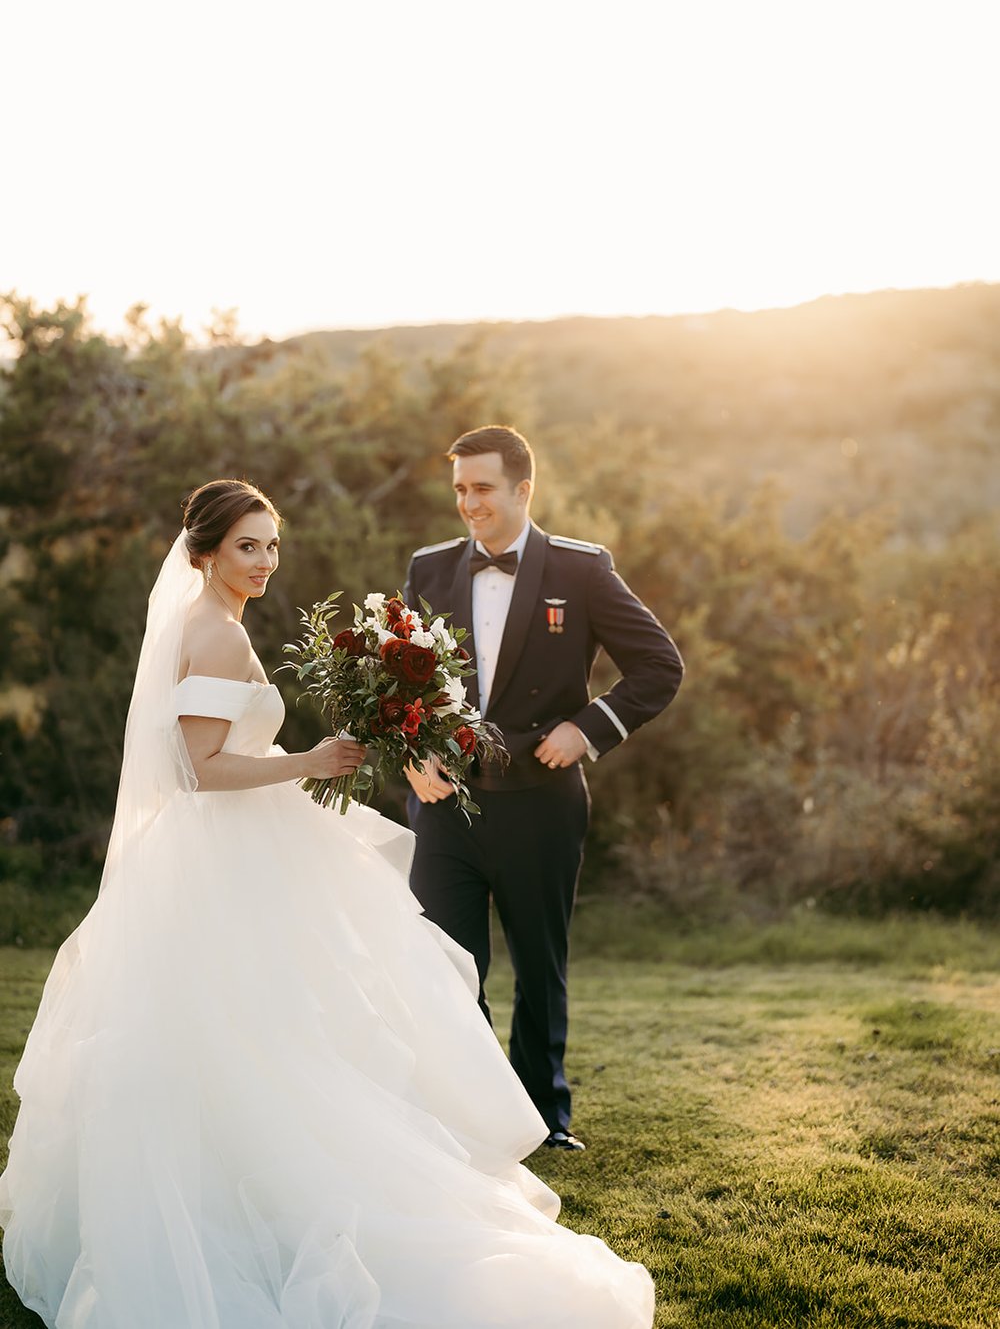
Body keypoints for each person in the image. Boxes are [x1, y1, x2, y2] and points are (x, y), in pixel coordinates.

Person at [0, 478, 655, 1329]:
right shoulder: (213, 632)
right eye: (247, 545)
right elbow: (203, 769)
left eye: (272, 544)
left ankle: (248, 1186)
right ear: (203, 551)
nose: (265, 561)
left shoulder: (215, 625)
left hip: (235, 847)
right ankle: (264, 1196)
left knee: (262, 1030)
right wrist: (306, 762)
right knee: (271, 1030)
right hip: (224, 854)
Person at [404, 427, 684, 1152]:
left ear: (524, 489)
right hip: (445, 806)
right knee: (447, 965)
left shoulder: (582, 570)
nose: (469, 503)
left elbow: (659, 665)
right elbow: (399, 685)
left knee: (539, 964)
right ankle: (462, 1117)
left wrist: (589, 728)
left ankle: (542, 1121)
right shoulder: (429, 570)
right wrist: (410, 755)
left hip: (541, 802)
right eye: (460, 488)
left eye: (484, 488)